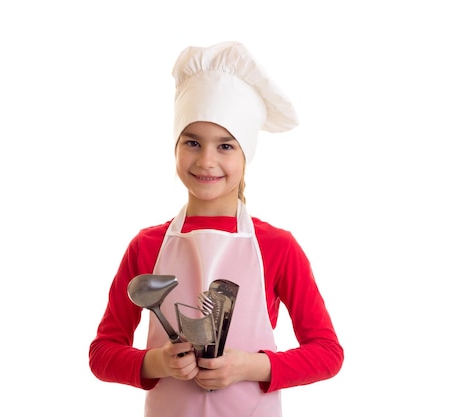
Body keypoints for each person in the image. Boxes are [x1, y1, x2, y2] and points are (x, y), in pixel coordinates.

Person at [88, 41, 344, 417]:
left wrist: (250, 366)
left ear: (246, 155)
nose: (206, 160)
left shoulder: (278, 246)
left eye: (225, 146)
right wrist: (157, 363)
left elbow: (327, 353)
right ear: (175, 148)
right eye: (192, 142)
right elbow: (102, 353)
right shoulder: (147, 245)